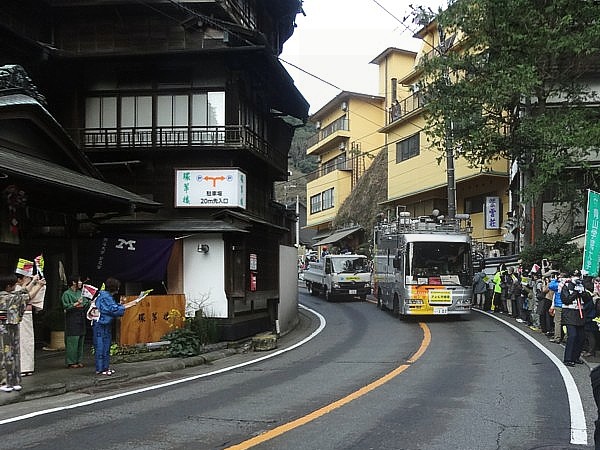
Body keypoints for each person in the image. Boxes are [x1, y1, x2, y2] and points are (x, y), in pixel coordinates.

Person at [0, 273, 45, 392]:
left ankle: (14, 381)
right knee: (6, 355)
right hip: (4, 327)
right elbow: (27, 297)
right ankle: (5, 381)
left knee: (15, 353)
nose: (16, 286)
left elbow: (22, 292)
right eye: (14, 284)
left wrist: (33, 281)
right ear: (8, 286)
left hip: (13, 326)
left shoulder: (10, 294)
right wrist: (39, 286)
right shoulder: (5, 297)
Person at [93, 277, 137, 375]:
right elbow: (113, 309)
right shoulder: (106, 296)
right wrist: (128, 305)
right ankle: (101, 369)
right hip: (101, 324)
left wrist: (121, 305)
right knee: (102, 346)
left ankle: (104, 367)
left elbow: (111, 307)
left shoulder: (103, 295)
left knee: (104, 345)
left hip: (101, 323)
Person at [561, 269, 589, 366]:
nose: (576, 278)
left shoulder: (581, 285)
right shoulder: (566, 286)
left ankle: (576, 357)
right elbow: (566, 299)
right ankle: (568, 358)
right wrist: (575, 293)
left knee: (581, 337)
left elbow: (587, 299)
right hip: (569, 314)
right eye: (574, 276)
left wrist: (582, 292)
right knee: (572, 336)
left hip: (580, 314)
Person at [61, 275, 90, 368]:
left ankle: (78, 360)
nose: (81, 283)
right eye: (79, 281)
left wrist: (90, 302)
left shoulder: (80, 292)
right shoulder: (66, 294)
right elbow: (66, 306)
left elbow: (85, 304)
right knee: (72, 340)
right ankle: (71, 361)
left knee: (80, 339)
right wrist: (76, 303)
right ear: (74, 282)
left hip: (81, 317)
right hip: (72, 318)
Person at [549, 272, 565, 344]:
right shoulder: (569, 283)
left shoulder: (559, 284)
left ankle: (557, 338)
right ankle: (566, 337)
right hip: (568, 306)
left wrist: (554, 279)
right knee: (567, 322)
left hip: (559, 305)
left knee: (557, 322)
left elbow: (551, 286)